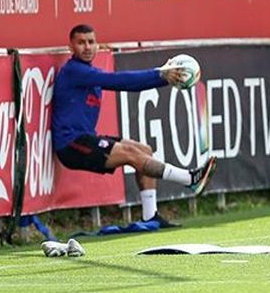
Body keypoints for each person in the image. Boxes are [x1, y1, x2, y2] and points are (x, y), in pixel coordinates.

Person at [51, 24, 217, 227]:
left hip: (85, 138)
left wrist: (161, 74)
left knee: (143, 150)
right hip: (71, 145)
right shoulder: (74, 71)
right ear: (71, 47)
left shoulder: (88, 71)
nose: (87, 47)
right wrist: (160, 75)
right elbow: (119, 81)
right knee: (131, 154)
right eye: (81, 42)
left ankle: (150, 215)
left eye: (91, 42)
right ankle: (189, 178)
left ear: (97, 44)